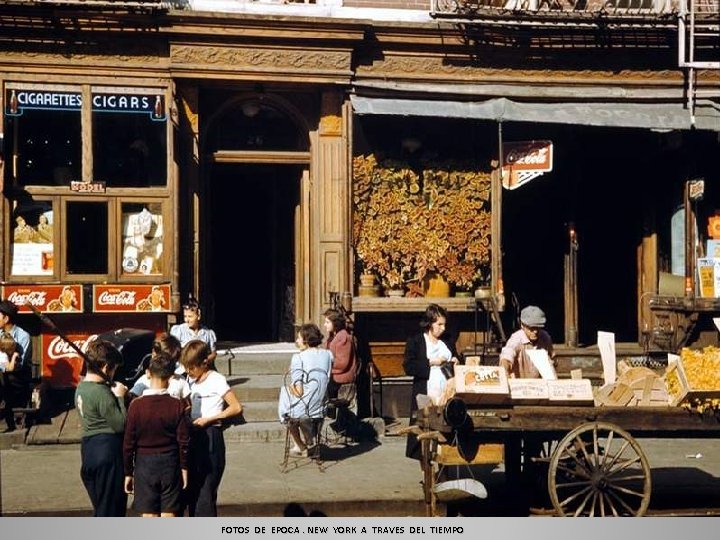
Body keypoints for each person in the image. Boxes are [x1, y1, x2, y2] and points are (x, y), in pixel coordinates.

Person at [123, 352, 191, 517]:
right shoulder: (176, 405)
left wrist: (128, 472)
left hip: (144, 464)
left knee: (148, 516)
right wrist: (184, 467)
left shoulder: (135, 406)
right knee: (170, 515)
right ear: (170, 376)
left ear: (148, 373)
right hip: (170, 462)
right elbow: (184, 441)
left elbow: (128, 444)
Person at [180, 339, 242, 517]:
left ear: (204, 363)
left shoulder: (217, 379)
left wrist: (210, 418)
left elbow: (235, 407)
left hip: (210, 434)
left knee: (205, 492)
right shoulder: (188, 380)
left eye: (192, 368)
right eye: (186, 368)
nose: (188, 372)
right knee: (190, 489)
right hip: (191, 434)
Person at [75, 339, 128, 517]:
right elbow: (120, 424)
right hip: (107, 452)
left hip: (88, 450)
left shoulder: (81, 388)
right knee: (111, 511)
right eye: (113, 369)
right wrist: (120, 397)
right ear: (106, 367)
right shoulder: (101, 392)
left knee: (102, 508)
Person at [402, 303, 460, 459]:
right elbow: (408, 366)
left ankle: (444, 471)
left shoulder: (447, 341)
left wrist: (456, 360)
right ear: (429, 323)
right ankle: (426, 469)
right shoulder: (417, 341)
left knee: (445, 431)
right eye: (439, 324)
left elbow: (455, 357)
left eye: (444, 324)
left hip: (446, 392)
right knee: (424, 431)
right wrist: (430, 362)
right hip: (426, 392)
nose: (442, 328)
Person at [278, 323, 333, 457]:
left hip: (305, 407)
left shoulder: (298, 358)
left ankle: (302, 444)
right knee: (297, 402)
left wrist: (291, 387)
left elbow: (299, 392)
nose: (296, 341)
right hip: (321, 405)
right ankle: (309, 439)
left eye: (299, 338)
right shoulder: (328, 355)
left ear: (306, 340)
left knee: (285, 399)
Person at [0, 300, 33, 433]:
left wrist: (5, 366)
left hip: (16, 376)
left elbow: (20, 364)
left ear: (6, 318)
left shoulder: (23, 336)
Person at [129, 333, 190, 404]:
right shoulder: (145, 380)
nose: (166, 365)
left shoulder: (180, 380)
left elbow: (187, 404)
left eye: (172, 360)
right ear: (153, 354)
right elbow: (133, 401)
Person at [499, 305, 555, 379]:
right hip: (519, 383)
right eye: (531, 328)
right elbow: (507, 356)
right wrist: (505, 370)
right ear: (522, 325)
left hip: (540, 383)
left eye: (538, 328)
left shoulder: (545, 337)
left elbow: (552, 358)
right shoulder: (516, 338)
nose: (535, 331)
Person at [170, 299, 217, 372]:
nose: (187, 320)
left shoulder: (208, 333)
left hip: (202, 369)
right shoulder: (178, 331)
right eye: (185, 316)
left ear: (198, 316)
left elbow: (213, 353)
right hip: (183, 369)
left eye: (190, 316)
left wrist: (206, 360)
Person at [322, 308, 357, 399]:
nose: (324, 325)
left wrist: (326, 366)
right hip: (333, 375)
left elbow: (342, 364)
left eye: (327, 322)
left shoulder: (343, 337)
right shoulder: (333, 336)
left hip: (340, 377)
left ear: (335, 323)